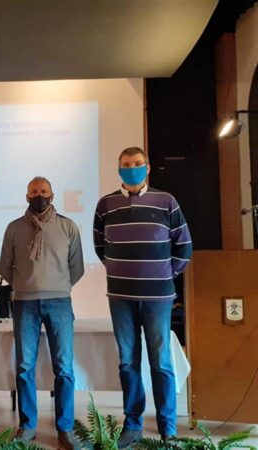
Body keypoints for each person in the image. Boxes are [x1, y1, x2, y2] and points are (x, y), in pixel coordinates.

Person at [93, 147, 192, 447]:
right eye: (125, 164)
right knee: (127, 362)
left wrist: (163, 274)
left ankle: (168, 428)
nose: (131, 168)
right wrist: (119, 269)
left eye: (137, 164)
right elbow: (100, 246)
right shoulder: (106, 204)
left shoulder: (166, 201)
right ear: (118, 168)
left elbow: (184, 245)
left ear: (147, 167)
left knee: (161, 362)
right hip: (120, 296)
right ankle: (133, 424)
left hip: (158, 297)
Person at [0, 176, 84, 450]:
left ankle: (65, 428)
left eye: (44, 191)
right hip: (25, 304)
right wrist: (26, 285)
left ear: (52, 195)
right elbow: (5, 267)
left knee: (64, 368)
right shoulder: (14, 228)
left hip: (60, 303)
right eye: (34, 191)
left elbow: (77, 267)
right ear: (27, 196)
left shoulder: (68, 227)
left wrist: (56, 285)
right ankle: (27, 426)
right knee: (25, 367)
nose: (39, 195)